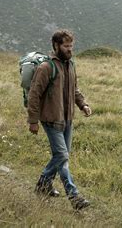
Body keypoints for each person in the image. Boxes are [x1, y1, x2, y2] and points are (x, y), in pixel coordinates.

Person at [26, 29, 92, 210]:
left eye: (71, 45)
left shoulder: (71, 65)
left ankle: (43, 185)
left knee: (61, 157)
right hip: (51, 120)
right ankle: (74, 195)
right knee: (62, 156)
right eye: (66, 46)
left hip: (68, 119)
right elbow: (34, 95)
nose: (70, 49)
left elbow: (75, 89)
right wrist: (33, 120)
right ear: (56, 45)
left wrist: (83, 105)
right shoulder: (46, 67)